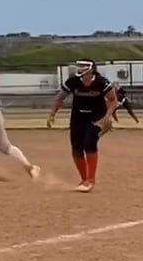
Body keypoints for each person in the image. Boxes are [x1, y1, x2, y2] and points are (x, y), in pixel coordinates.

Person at [49, 60, 118, 192]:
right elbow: (60, 97)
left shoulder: (101, 82)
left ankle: (90, 180)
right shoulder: (73, 82)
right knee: (76, 148)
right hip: (78, 117)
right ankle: (84, 179)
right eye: (79, 66)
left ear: (92, 69)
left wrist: (106, 117)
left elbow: (113, 99)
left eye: (84, 66)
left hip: (96, 117)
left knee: (89, 144)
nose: (80, 69)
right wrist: (52, 114)